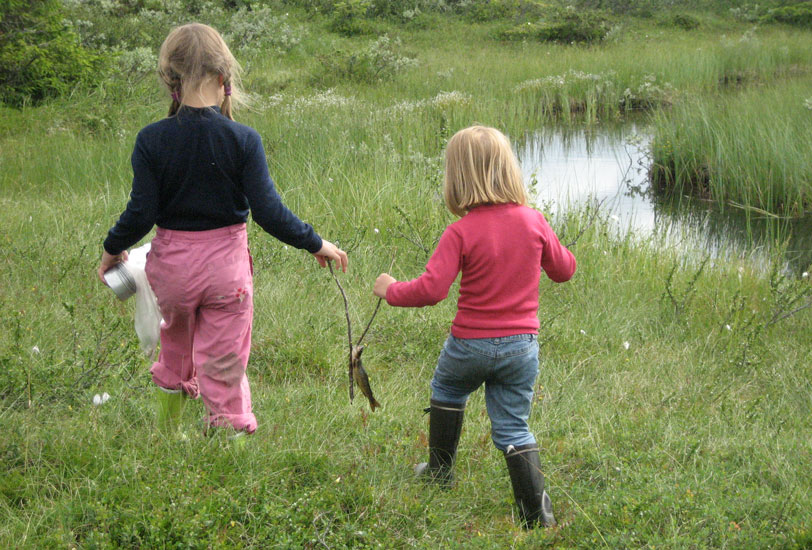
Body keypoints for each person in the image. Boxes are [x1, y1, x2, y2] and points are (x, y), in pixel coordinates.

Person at [97, 23, 347, 437]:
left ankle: (168, 433)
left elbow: (141, 213)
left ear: (169, 80)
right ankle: (229, 444)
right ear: (223, 77)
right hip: (225, 275)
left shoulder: (151, 140)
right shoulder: (243, 139)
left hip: (171, 274)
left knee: (174, 348)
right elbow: (269, 213)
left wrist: (112, 249)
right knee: (224, 361)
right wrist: (315, 242)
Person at [373, 125, 575, 528]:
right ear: (509, 171)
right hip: (521, 347)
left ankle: (440, 471)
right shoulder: (534, 221)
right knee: (514, 424)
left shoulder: (461, 231)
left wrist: (391, 289)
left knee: (448, 390)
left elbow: (432, 290)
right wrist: (547, 244)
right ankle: (535, 514)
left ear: (457, 179)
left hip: (469, 345)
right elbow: (564, 270)